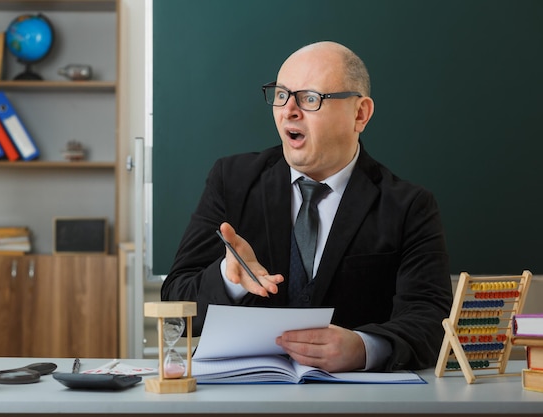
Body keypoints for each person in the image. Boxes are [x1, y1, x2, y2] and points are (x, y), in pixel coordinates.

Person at [161, 41, 453, 372]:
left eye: (310, 98)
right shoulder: (231, 181)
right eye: (282, 95)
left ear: (360, 114)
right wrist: (227, 279)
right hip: (245, 397)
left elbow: (431, 318)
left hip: (358, 399)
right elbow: (175, 307)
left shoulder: (409, 205)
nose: (289, 110)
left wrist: (364, 348)